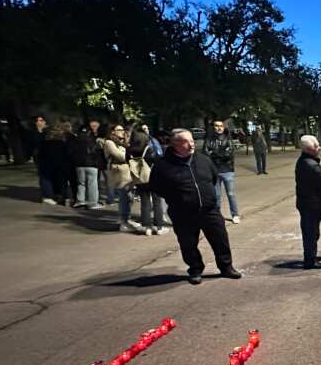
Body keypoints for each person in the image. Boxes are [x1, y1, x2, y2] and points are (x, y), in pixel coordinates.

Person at [149, 129, 241, 285]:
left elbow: (213, 178)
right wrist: (178, 199)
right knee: (188, 244)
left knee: (220, 239)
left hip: (209, 210)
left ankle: (226, 267)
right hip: (183, 213)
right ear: (175, 144)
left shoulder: (203, 159)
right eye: (186, 141)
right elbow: (157, 187)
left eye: (192, 140)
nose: (191, 144)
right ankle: (195, 269)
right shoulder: (163, 165)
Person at [295, 134, 321, 270]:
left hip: (308, 202)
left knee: (312, 231)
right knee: (311, 232)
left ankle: (311, 255)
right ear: (308, 149)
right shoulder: (311, 165)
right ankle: (310, 260)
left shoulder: (305, 161)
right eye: (316, 146)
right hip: (311, 203)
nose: (319, 148)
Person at [203, 120, 240, 223]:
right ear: (213, 127)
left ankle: (235, 214)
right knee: (216, 195)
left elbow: (230, 154)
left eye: (221, 126)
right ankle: (217, 215)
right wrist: (221, 153)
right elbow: (206, 154)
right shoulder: (208, 140)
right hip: (214, 171)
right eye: (216, 126)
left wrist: (214, 153)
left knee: (231, 194)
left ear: (223, 127)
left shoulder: (228, 139)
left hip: (227, 170)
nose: (219, 128)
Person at [100, 124, 135, 231]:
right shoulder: (109, 143)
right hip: (119, 172)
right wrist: (129, 153)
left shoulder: (122, 142)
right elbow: (120, 156)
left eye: (122, 129)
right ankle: (123, 221)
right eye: (119, 130)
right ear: (112, 132)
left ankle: (127, 219)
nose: (122, 131)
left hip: (127, 172)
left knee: (129, 197)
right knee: (124, 197)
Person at [68, 120, 102, 209]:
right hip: (91, 164)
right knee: (92, 184)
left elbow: (72, 152)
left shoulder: (76, 140)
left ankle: (80, 201)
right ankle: (92, 203)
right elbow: (96, 152)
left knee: (80, 183)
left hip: (79, 164)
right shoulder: (93, 140)